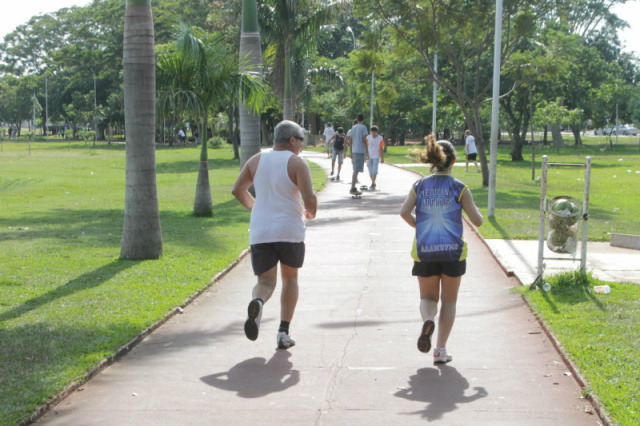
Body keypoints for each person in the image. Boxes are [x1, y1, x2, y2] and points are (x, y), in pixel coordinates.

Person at [232, 120, 318, 349]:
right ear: (292, 140)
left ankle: (258, 302)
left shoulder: (256, 160)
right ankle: (283, 333)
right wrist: (312, 212)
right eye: (301, 139)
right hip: (289, 231)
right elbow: (309, 198)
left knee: (265, 282)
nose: (301, 143)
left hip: (261, 231)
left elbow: (237, 190)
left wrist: (257, 208)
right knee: (290, 279)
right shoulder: (297, 163)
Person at [399, 134, 483, 364]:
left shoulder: (419, 186)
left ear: (432, 161)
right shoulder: (460, 188)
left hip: (424, 250)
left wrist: (420, 225)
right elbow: (478, 221)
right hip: (453, 253)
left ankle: (428, 319)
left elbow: (404, 213)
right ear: (453, 161)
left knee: (427, 297)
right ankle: (440, 350)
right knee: (449, 301)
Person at [348, 113, 369, 195]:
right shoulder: (363, 128)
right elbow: (364, 139)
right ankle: (352, 187)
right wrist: (367, 151)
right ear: (363, 119)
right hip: (360, 150)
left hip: (354, 150)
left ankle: (353, 186)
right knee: (356, 170)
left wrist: (350, 152)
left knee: (356, 169)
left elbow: (350, 140)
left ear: (357, 118)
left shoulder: (353, 128)